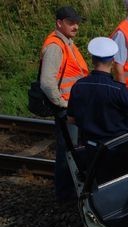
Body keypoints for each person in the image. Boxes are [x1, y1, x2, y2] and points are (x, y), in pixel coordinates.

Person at [40, 6, 89, 202]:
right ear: (59, 23)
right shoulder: (55, 47)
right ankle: (64, 193)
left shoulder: (66, 42)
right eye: (71, 23)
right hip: (66, 109)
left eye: (77, 22)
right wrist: (62, 104)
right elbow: (46, 82)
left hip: (73, 107)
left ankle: (69, 189)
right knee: (67, 151)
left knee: (72, 149)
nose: (75, 26)